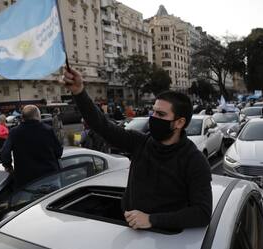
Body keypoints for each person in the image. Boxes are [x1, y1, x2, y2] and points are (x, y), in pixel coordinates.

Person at [63, 68, 212, 231]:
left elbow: (202, 213)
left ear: (179, 123)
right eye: (153, 111)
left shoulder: (194, 161)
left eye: (161, 114)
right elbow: (102, 126)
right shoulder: (140, 142)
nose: (153, 118)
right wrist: (79, 92)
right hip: (128, 231)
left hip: (168, 241)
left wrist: (152, 220)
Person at [0, 105, 63, 187]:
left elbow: (4, 154)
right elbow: (58, 152)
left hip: (26, 181)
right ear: (38, 116)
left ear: (23, 117)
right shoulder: (48, 130)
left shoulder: (14, 132)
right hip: (49, 178)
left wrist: (9, 167)